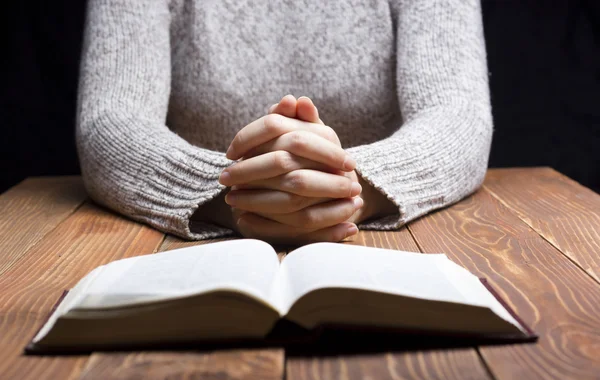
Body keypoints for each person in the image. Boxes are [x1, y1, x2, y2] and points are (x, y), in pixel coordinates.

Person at [77, 0, 492, 244]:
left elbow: (459, 115)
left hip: (380, 247)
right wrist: (230, 198)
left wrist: (348, 189)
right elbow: (111, 119)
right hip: (192, 253)